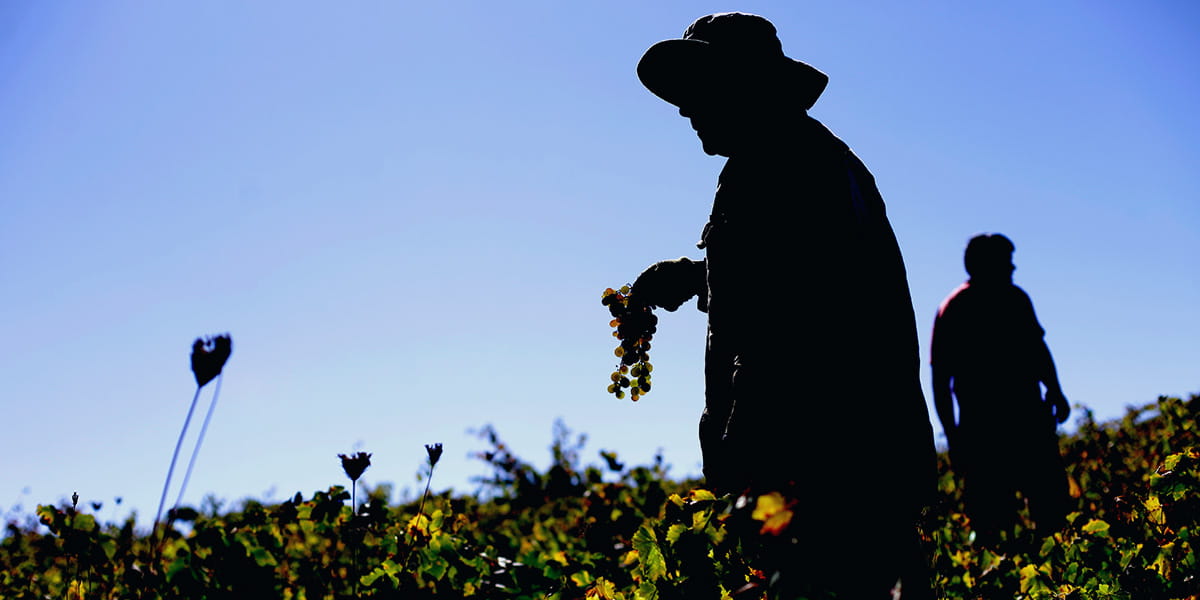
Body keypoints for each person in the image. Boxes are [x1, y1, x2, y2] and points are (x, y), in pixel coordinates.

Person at [631, 12, 936, 599]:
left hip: (824, 468)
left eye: (696, 92)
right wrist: (698, 278)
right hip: (853, 460)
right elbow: (789, 278)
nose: (683, 110)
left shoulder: (782, 166)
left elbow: (792, 333)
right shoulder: (800, 158)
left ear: (742, 88)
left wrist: (744, 469)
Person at [931, 233, 1071, 545]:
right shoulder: (955, 308)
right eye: (1005, 261)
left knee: (1051, 508)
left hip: (1030, 421)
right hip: (983, 432)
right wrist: (953, 433)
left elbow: (1038, 349)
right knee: (991, 521)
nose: (1012, 267)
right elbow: (941, 378)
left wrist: (1056, 390)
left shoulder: (1016, 299)